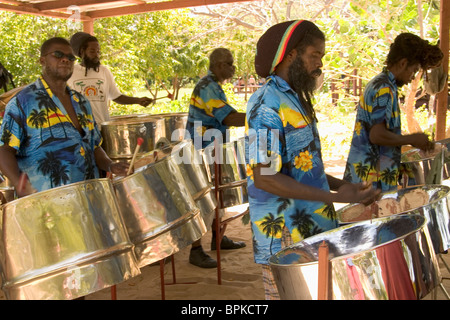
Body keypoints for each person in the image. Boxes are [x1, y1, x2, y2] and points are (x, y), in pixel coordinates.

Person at [245, 20, 381, 300]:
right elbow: (266, 176)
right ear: (291, 55)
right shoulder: (266, 104)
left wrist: (343, 186)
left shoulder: (295, 99)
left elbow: (304, 165)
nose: (319, 64)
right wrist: (334, 197)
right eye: (314, 56)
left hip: (312, 226)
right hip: (285, 233)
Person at [0, 37, 129, 198]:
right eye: (58, 54)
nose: (65, 60)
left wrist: (111, 165)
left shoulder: (82, 102)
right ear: (42, 60)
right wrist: (20, 184)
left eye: (70, 57)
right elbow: (4, 150)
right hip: (46, 203)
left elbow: (94, 146)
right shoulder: (23, 102)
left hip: (88, 198)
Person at [343, 33, 443, 192]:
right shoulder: (384, 89)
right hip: (370, 182)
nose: (412, 77)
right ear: (403, 63)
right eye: (414, 70)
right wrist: (412, 139)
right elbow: (376, 135)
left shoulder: (380, 83)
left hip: (367, 175)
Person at [185, 48, 247, 268]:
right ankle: (195, 250)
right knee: (202, 198)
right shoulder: (208, 87)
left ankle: (218, 238)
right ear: (219, 65)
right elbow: (228, 117)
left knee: (216, 192)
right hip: (200, 150)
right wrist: (259, 117)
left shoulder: (213, 85)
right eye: (230, 64)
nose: (233, 68)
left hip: (211, 148)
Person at [68, 32, 153, 128]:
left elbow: (116, 96)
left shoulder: (104, 71)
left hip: (102, 127)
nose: (96, 55)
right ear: (82, 51)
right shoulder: (71, 71)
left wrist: (138, 100)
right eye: (92, 51)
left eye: (98, 52)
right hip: (81, 130)